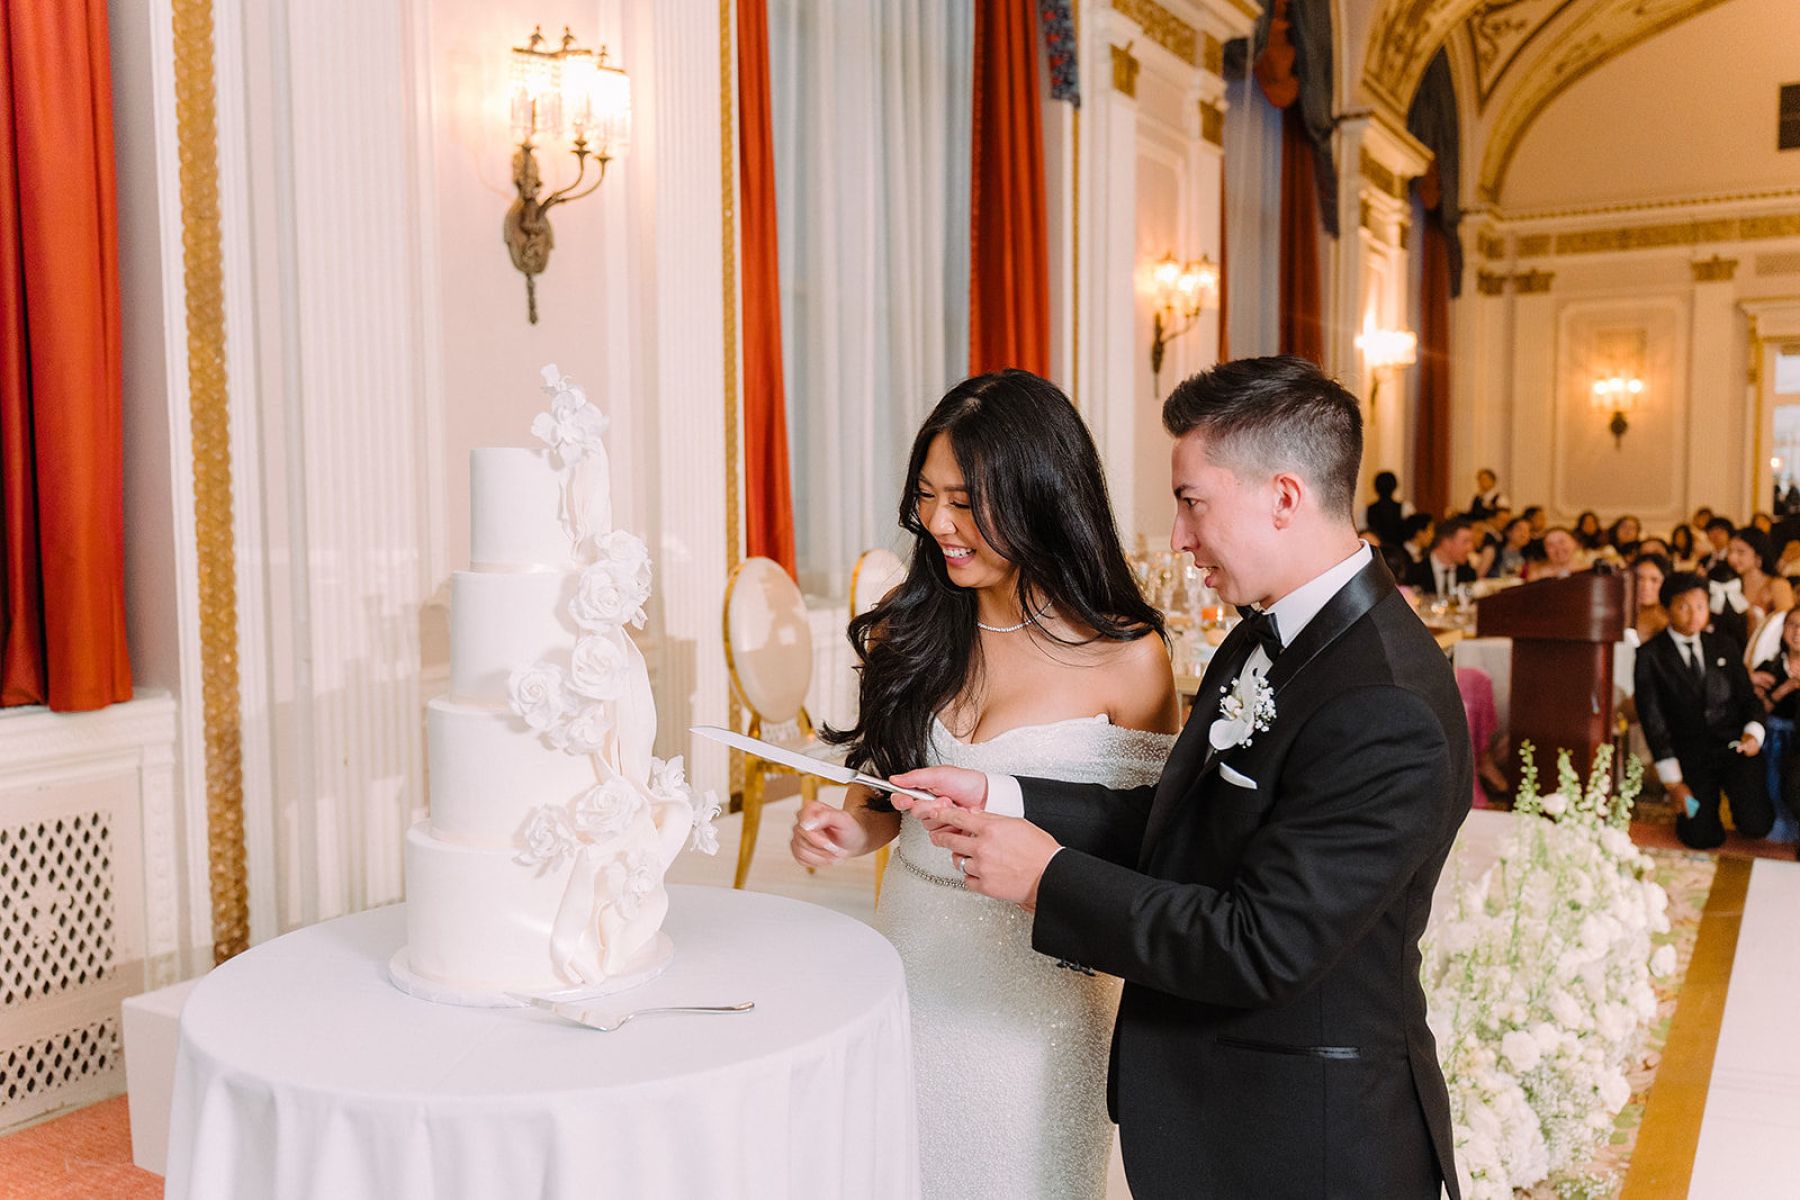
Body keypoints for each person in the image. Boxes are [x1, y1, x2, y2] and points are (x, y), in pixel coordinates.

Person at [893, 356, 1469, 1200]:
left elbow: (1258, 943)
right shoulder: (1262, 633)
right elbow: (1181, 823)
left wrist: (1046, 878)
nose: (1177, 538)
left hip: (1305, 1141)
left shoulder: (1386, 702)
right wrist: (1006, 794)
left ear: (1284, 495)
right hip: (1218, 1116)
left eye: (1193, 501)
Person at [791, 370, 1180, 1200]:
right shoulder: (913, 622)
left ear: (1040, 496)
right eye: (927, 497)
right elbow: (885, 779)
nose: (937, 524)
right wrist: (855, 828)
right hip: (909, 960)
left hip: (1038, 1000)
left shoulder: (1129, 658)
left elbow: (1147, 839)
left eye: (965, 502)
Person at [1634, 572, 1773, 850]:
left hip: (1734, 747)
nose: (1694, 614)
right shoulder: (1650, 655)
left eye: (1700, 605)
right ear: (1667, 608)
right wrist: (1674, 783)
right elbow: (1653, 720)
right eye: (1684, 606)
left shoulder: (1724, 645)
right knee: (1701, 837)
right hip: (1692, 758)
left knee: (1757, 825)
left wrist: (1753, 734)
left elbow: (1749, 699)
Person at [1405, 517, 1478, 597]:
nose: (1470, 548)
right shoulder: (1415, 572)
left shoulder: (1468, 573)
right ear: (1446, 543)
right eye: (1465, 542)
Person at [1632, 552, 1671, 642]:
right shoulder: (1619, 615)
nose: (1645, 586)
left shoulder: (1671, 619)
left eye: (1654, 580)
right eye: (1640, 579)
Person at [1365, 470, 1408, 547]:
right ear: (1395, 486)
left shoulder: (1367, 509)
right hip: (1398, 552)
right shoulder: (1405, 508)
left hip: (1376, 551)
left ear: (1376, 488)